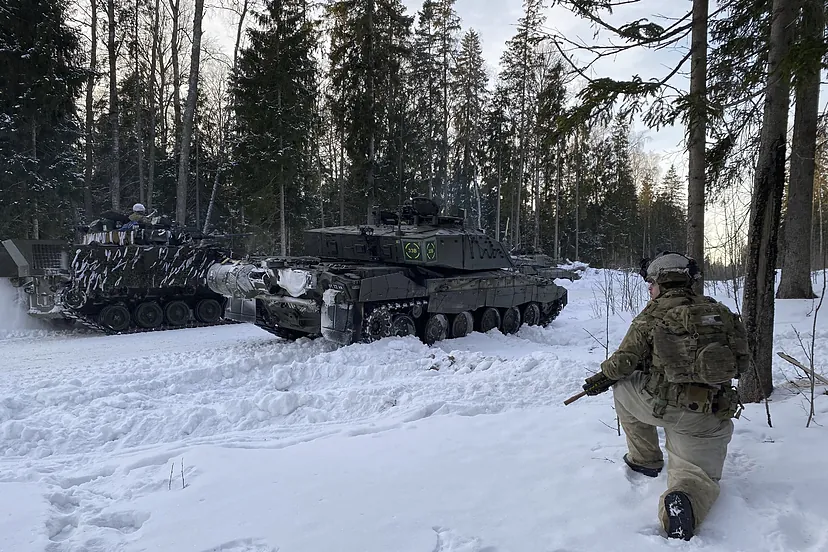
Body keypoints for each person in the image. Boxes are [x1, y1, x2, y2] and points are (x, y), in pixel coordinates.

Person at [581, 252, 749, 541]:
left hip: (665, 407)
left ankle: (645, 459)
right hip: (710, 414)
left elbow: (621, 364)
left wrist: (602, 378)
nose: (650, 291)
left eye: (651, 286)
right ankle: (684, 500)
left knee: (622, 385)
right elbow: (742, 363)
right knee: (697, 478)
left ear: (660, 283)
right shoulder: (719, 311)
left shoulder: (652, 314)